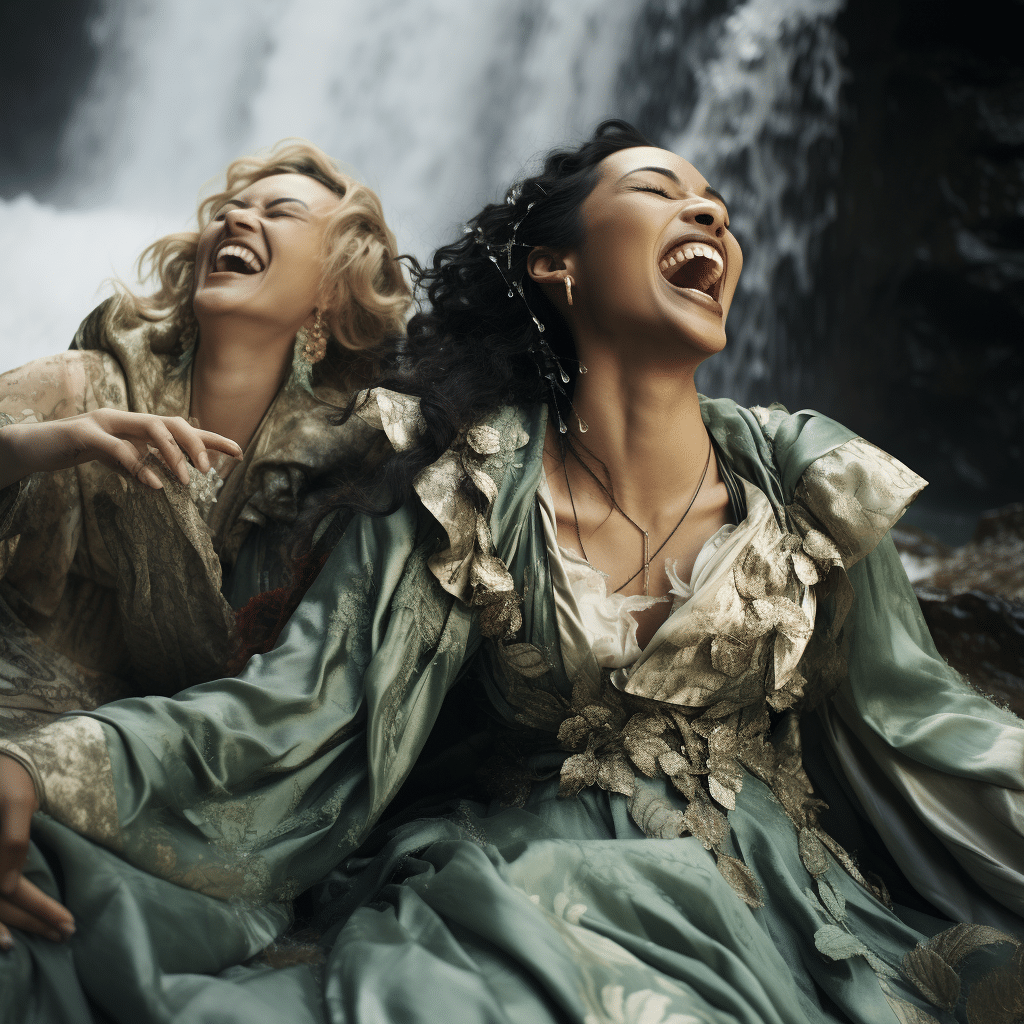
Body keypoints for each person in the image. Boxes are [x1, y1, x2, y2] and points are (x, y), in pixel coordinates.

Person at [1, 121, 1022, 1023]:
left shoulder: (803, 475)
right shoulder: (464, 484)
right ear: (554, 268)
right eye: (658, 189)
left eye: (714, 201)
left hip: (776, 904)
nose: (705, 207)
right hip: (522, 883)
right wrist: (38, 766)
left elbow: (930, 720)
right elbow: (301, 707)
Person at [0, 138, 410, 737]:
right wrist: (29, 448)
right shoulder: (82, 386)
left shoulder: (353, 460)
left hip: (179, 759)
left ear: (333, 287)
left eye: (280, 211)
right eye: (229, 210)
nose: (236, 218)